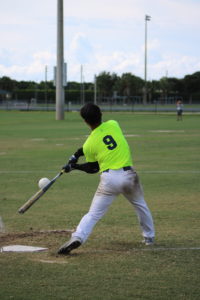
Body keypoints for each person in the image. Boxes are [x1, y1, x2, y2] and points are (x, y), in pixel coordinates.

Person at [58, 103, 155, 255]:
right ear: (101, 114)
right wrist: (76, 155)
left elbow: (93, 168)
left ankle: (78, 236)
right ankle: (149, 238)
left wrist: (74, 166)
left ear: (85, 121)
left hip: (109, 180)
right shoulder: (113, 124)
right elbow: (93, 144)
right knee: (140, 205)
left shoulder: (90, 143)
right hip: (129, 177)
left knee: (93, 214)